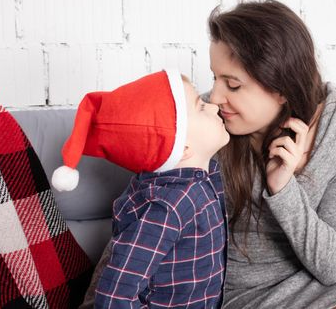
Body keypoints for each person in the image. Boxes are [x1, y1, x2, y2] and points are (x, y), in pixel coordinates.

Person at [207, 0, 336, 309]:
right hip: (249, 285)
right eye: (215, 77)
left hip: (332, 273)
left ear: (281, 87)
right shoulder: (206, 123)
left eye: (232, 84)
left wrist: (283, 190)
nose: (216, 97)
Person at [51, 70, 230, 308]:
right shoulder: (169, 204)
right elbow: (115, 293)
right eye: (200, 107)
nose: (213, 107)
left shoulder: (205, 180)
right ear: (182, 147)